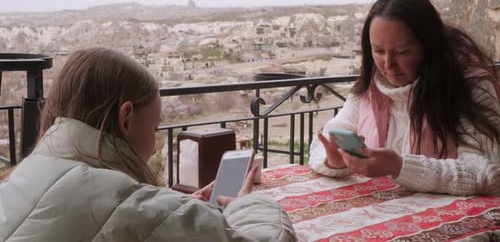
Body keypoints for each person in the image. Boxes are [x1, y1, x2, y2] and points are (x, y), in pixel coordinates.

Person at [0, 47, 297, 242]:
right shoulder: (137, 211)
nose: (155, 147)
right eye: (154, 128)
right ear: (126, 117)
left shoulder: (24, 178)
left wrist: (174, 209)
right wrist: (250, 204)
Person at [309, 0, 500, 196]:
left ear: (428, 47)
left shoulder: (471, 86)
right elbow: (328, 137)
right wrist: (334, 161)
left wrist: (399, 166)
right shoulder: (371, 87)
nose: (388, 64)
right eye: (378, 51)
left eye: (401, 52)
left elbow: (487, 172)